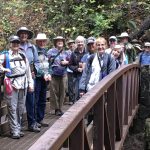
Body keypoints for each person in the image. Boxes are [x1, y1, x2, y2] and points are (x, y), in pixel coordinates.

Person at [0, 35, 33, 139]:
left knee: (20, 108)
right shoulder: (5, 55)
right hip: (11, 84)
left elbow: (28, 71)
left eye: (17, 43)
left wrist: (30, 84)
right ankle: (14, 130)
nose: (15, 44)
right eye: (13, 42)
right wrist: (4, 69)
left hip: (23, 84)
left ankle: (17, 128)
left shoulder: (23, 56)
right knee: (12, 107)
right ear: (10, 44)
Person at [16, 27, 40, 132]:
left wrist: (36, 70)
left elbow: (37, 61)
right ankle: (18, 124)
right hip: (19, 77)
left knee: (31, 100)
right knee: (19, 101)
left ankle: (32, 123)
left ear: (28, 35)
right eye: (21, 33)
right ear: (19, 35)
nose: (23, 35)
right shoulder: (15, 46)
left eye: (25, 34)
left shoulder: (32, 47)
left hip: (30, 76)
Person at [47, 36, 69, 116]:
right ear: (55, 42)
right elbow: (47, 62)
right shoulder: (50, 51)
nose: (60, 42)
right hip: (53, 74)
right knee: (54, 91)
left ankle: (60, 108)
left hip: (63, 74)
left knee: (62, 91)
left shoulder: (66, 53)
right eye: (58, 41)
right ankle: (56, 109)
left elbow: (71, 62)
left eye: (61, 41)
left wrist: (66, 62)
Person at [34, 33, 51, 126]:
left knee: (43, 99)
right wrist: (43, 74)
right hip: (37, 78)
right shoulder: (34, 51)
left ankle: (40, 119)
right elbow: (35, 65)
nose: (42, 42)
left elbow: (49, 65)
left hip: (45, 79)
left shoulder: (46, 51)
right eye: (40, 41)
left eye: (43, 41)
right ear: (36, 41)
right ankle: (35, 120)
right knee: (36, 99)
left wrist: (49, 73)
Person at [69, 36, 86, 102]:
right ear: (76, 43)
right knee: (77, 93)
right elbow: (70, 65)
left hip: (86, 76)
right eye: (78, 42)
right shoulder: (73, 54)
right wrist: (77, 68)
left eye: (81, 42)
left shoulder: (87, 52)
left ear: (84, 43)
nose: (80, 43)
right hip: (77, 76)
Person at [66, 40, 75, 105]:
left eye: (72, 44)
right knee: (70, 85)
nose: (71, 45)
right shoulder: (66, 53)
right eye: (70, 44)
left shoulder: (77, 51)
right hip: (69, 70)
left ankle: (76, 98)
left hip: (76, 70)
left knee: (76, 85)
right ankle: (71, 99)